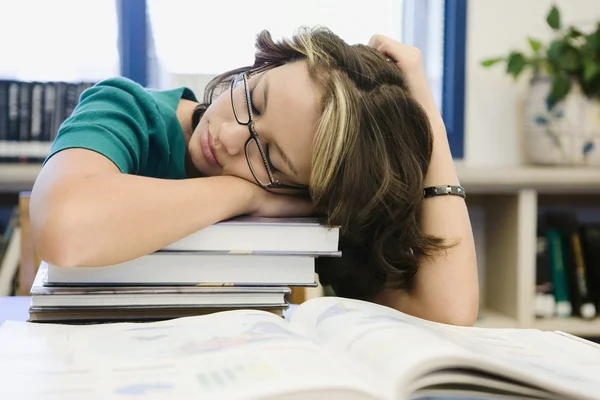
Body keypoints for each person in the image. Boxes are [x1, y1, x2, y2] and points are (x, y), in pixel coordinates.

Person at [29, 27, 478, 326]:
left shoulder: (306, 197)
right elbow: (65, 230)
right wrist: (242, 194)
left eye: (269, 156)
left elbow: (446, 315)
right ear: (265, 64)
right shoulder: (130, 110)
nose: (226, 135)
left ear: (309, 190)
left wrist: (429, 119)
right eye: (255, 100)